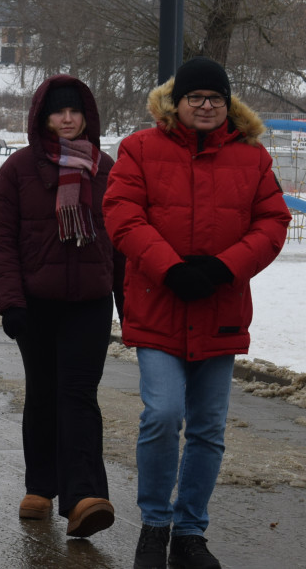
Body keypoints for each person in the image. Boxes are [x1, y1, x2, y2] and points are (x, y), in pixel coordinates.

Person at [103, 57, 291, 569]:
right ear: (177, 101)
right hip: (159, 305)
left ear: (228, 105)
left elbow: (273, 222)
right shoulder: (139, 149)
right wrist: (170, 268)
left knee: (208, 428)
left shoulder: (252, 158)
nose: (206, 106)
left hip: (219, 307)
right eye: (196, 97)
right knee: (163, 415)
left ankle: (190, 532)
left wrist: (226, 267)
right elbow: (121, 214)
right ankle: (154, 525)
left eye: (216, 98)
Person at [0, 75, 123, 539]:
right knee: (43, 393)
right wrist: (10, 302)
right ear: (42, 118)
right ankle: (40, 488)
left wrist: (130, 307)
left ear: (87, 116)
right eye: (58, 111)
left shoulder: (106, 170)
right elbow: (0, 240)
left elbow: (122, 242)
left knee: (79, 395)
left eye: (74, 111)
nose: (67, 119)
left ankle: (84, 497)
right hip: (35, 304)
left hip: (90, 302)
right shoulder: (19, 169)